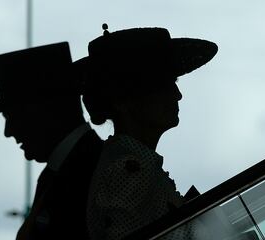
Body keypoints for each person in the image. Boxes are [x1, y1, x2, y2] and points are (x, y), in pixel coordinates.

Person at [79, 26, 218, 239]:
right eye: (162, 85)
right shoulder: (126, 172)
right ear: (123, 102)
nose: (177, 95)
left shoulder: (134, 166)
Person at [0, 42, 103, 239]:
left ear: (45, 111)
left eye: (13, 117)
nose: (8, 132)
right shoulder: (72, 168)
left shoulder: (88, 172)